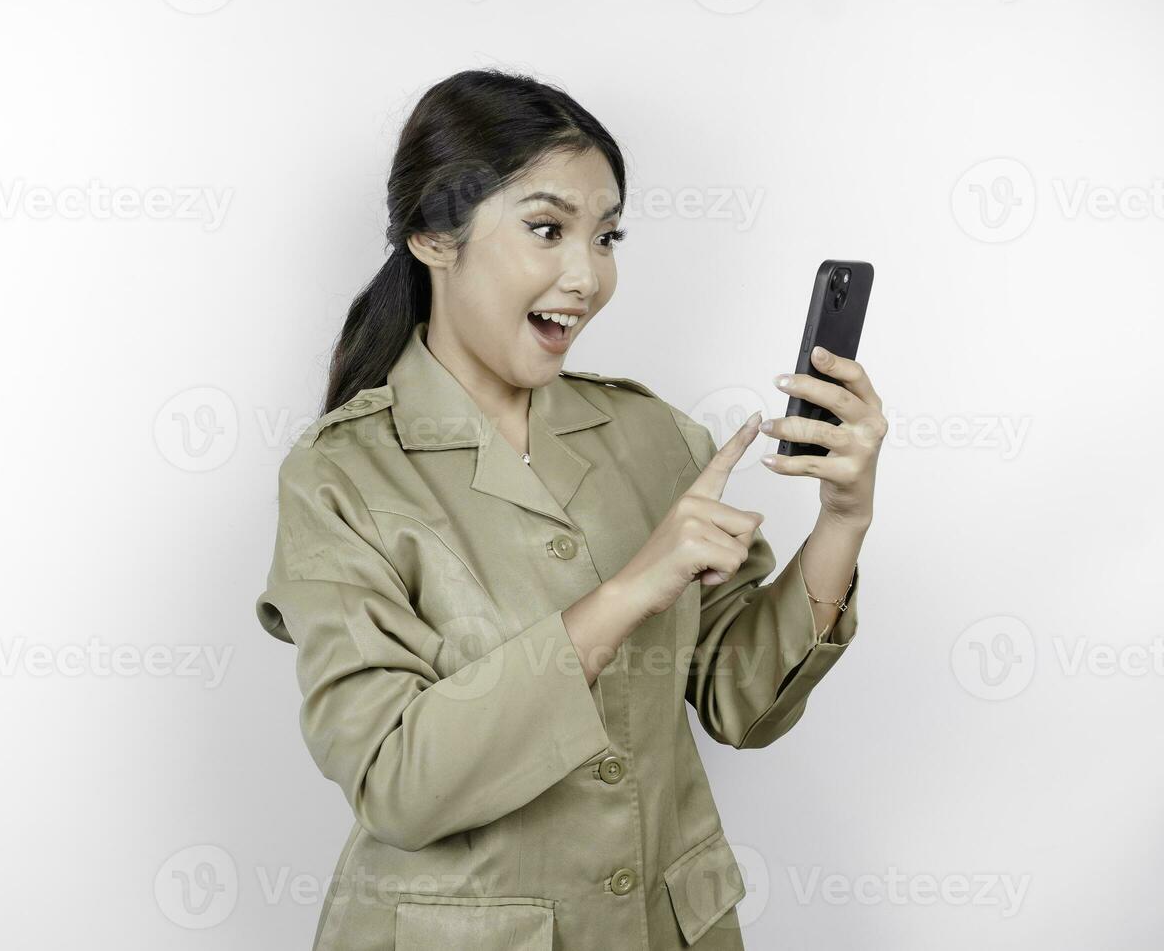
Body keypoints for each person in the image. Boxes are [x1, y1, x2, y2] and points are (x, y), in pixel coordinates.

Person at [254, 67, 886, 950]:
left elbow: (744, 705)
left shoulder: (654, 436)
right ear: (434, 235)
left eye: (607, 236)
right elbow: (397, 781)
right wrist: (628, 592)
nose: (586, 276)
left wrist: (843, 519)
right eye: (547, 229)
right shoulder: (342, 478)